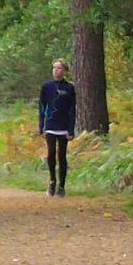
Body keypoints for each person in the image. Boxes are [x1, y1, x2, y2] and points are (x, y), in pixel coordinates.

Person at [38, 58, 76, 197]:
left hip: (63, 126)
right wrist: (41, 126)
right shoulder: (46, 86)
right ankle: (52, 181)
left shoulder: (69, 88)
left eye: (59, 68)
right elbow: (42, 107)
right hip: (50, 125)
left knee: (62, 155)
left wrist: (71, 129)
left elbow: (72, 110)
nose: (56, 70)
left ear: (64, 70)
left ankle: (62, 185)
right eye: (54, 67)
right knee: (51, 153)